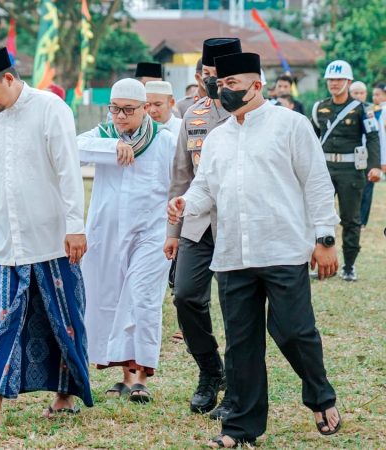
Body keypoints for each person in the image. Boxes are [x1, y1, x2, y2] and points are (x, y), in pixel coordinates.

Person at [168, 51, 343, 448]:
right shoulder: (217, 138)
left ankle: (320, 396)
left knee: (295, 333)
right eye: (221, 84)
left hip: (282, 248)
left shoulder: (291, 126)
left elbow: (317, 182)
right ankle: (241, 428)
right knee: (242, 344)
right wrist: (185, 205)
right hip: (233, 255)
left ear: (257, 86)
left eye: (232, 84)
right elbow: (205, 188)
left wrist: (325, 239)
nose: (223, 90)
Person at [0, 47, 92, 431]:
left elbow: (68, 172)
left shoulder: (50, 109)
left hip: (53, 238)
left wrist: (75, 226)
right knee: (1, 320)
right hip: (4, 242)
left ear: (9, 79)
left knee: (61, 317)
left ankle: (64, 396)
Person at [79, 78, 175, 403]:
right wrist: (112, 147)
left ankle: (141, 376)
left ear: (146, 108)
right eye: (115, 109)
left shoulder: (164, 142)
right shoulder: (103, 136)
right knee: (112, 298)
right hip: (107, 235)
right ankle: (124, 374)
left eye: (128, 110)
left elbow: (180, 185)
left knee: (141, 298)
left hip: (152, 234)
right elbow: (70, 149)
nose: (120, 117)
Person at [165, 37, 241, 420]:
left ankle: (237, 392)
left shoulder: (250, 114)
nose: (211, 82)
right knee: (186, 296)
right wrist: (172, 234)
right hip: (196, 223)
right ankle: (210, 370)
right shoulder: (191, 116)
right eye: (206, 75)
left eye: (218, 75)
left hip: (239, 224)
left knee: (235, 309)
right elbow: (180, 176)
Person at [311, 60, 382, 281]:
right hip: (323, 170)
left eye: (339, 79)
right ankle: (317, 262)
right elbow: (310, 139)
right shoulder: (318, 107)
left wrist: (374, 167)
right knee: (316, 217)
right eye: (331, 79)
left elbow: (372, 138)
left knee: (351, 219)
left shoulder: (363, 109)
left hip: (351, 170)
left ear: (348, 81)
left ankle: (349, 266)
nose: (334, 83)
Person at [360, 82, 386, 228]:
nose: (375, 97)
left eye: (378, 94)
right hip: (366, 152)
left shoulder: (383, 112)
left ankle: (362, 220)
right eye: (374, 94)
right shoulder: (370, 109)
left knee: (368, 187)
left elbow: (381, 137)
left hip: (376, 152)